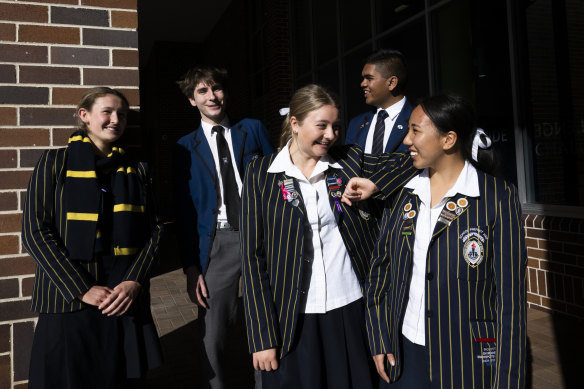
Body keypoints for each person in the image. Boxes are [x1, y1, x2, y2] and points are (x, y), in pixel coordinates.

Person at [240, 84, 418, 389]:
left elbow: (410, 163)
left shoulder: (350, 161)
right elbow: (252, 258)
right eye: (321, 125)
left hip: (350, 307)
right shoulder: (260, 173)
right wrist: (262, 336)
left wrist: (375, 184)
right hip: (293, 315)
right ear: (294, 123)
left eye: (335, 126)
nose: (331, 135)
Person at [344, 94, 526, 388]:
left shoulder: (497, 198)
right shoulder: (405, 194)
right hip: (404, 354)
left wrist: (507, 380)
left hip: (469, 359)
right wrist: (379, 338)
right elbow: (381, 271)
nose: (406, 140)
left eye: (416, 130)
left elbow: (511, 302)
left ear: (448, 139)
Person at [22, 87, 163, 389]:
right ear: (84, 116)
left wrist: (134, 281)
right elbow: (35, 231)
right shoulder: (54, 162)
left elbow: (155, 230)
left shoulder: (137, 170)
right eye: (108, 112)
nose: (116, 120)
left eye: (122, 115)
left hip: (121, 296)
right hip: (68, 298)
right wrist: (81, 288)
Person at [173, 65, 273, 388]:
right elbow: (183, 211)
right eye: (202, 91)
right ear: (192, 100)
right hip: (218, 241)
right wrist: (191, 266)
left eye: (216, 88)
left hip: (261, 233)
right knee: (212, 331)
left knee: (268, 317)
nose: (212, 96)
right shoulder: (184, 147)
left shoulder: (253, 129)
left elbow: (277, 181)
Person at [345, 49, 411, 155]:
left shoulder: (419, 119)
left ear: (391, 83)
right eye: (363, 79)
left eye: (369, 78)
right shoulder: (356, 124)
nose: (362, 84)